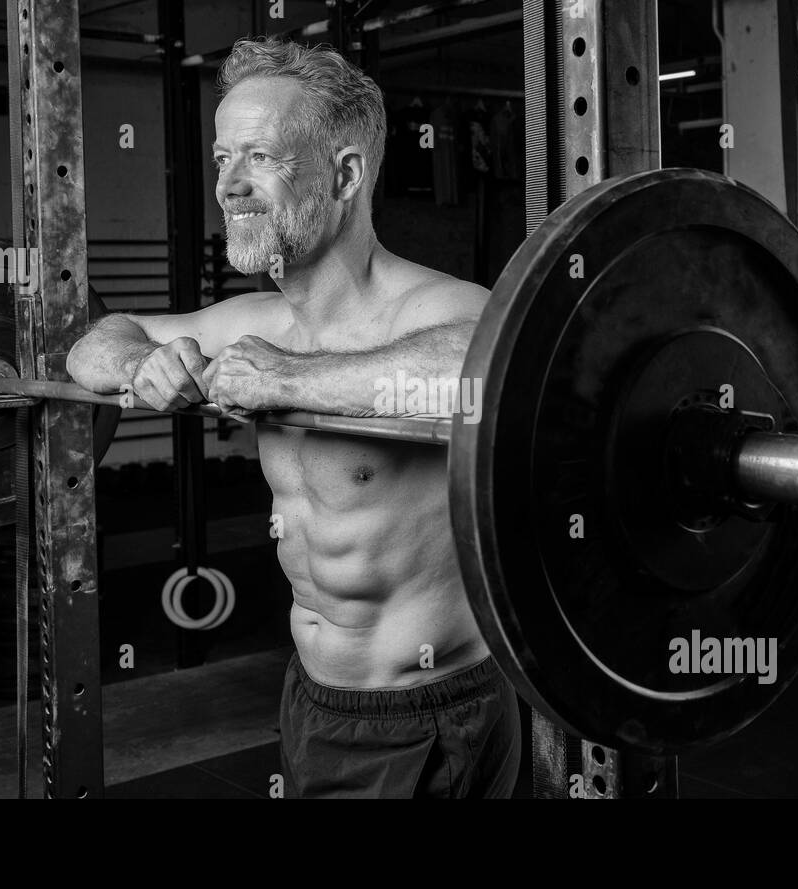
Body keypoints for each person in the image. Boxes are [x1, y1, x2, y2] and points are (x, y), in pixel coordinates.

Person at [66, 36, 521, 799]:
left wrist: (291, 379)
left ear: (345, 174)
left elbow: (482, 370)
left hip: (425, 711)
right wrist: (137, 365)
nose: (228, 187)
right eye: (220, 159)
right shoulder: (259, 319)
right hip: (311, 698)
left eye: (259, 158)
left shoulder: (443, 310)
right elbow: (97, 341)